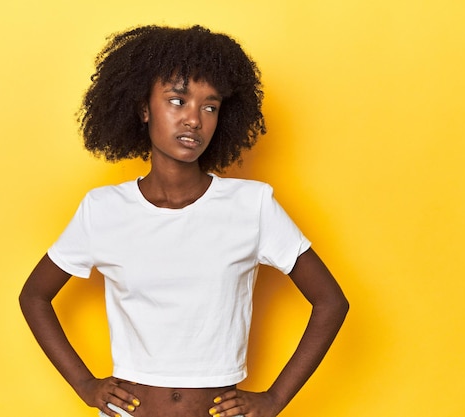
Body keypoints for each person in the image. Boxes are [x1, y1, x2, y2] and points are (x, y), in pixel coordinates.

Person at [19, 25, 349, 417]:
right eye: (178, 101)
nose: (194, 119)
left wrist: (275, 398)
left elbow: (331, 302)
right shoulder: (103, 209)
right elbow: (34, 296)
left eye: (209, 107)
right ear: (144, 109)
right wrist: (85, 384)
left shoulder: (251, 205)